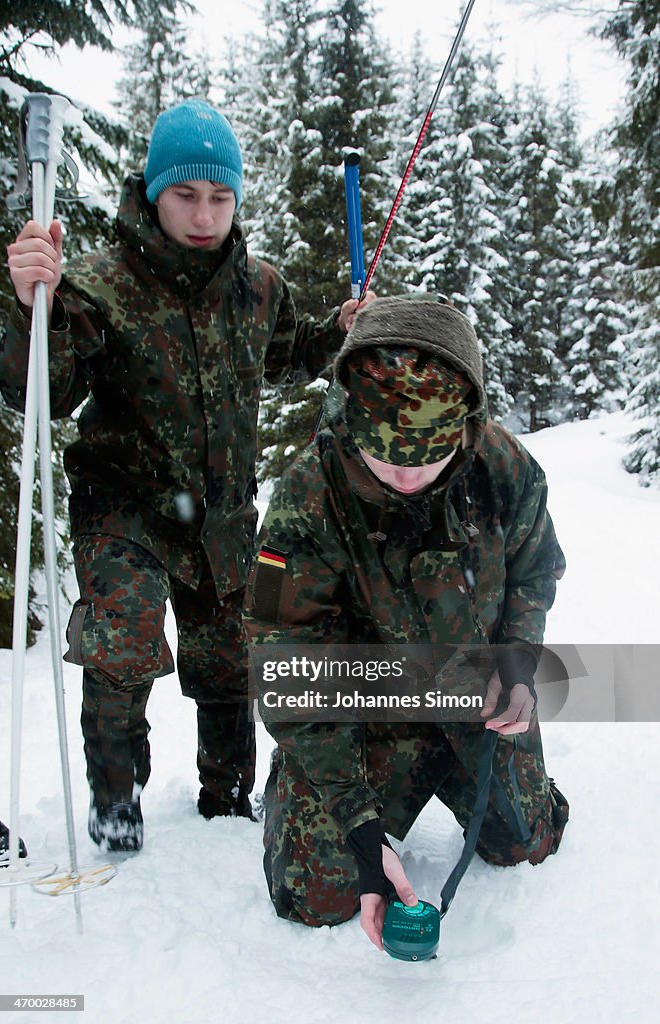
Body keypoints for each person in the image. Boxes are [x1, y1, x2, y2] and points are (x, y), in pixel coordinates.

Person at [0, 99, 368, 853]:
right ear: (153, 193)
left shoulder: (258, 286)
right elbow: (39, 386)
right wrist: (26, 305)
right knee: (123, 642)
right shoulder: (100, 284)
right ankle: (114, 801)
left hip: (224, 512)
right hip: (126, 507)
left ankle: (226, 795)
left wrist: (336, 334)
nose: (204, 215)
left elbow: (288, 352)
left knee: (230, 653)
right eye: (185, 196)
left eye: (220, 197)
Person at [244, 295, 570, 949]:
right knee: (318, 891)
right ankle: (302, 786)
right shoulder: (306, 495)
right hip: (361, 713)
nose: (401, 472)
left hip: (469, 697)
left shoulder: (506, 472)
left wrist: (516, 658)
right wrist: (357, 822)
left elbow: (534, 576)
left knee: (526, 842)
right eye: (381, 450)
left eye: (426, 454)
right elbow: (282, 657)